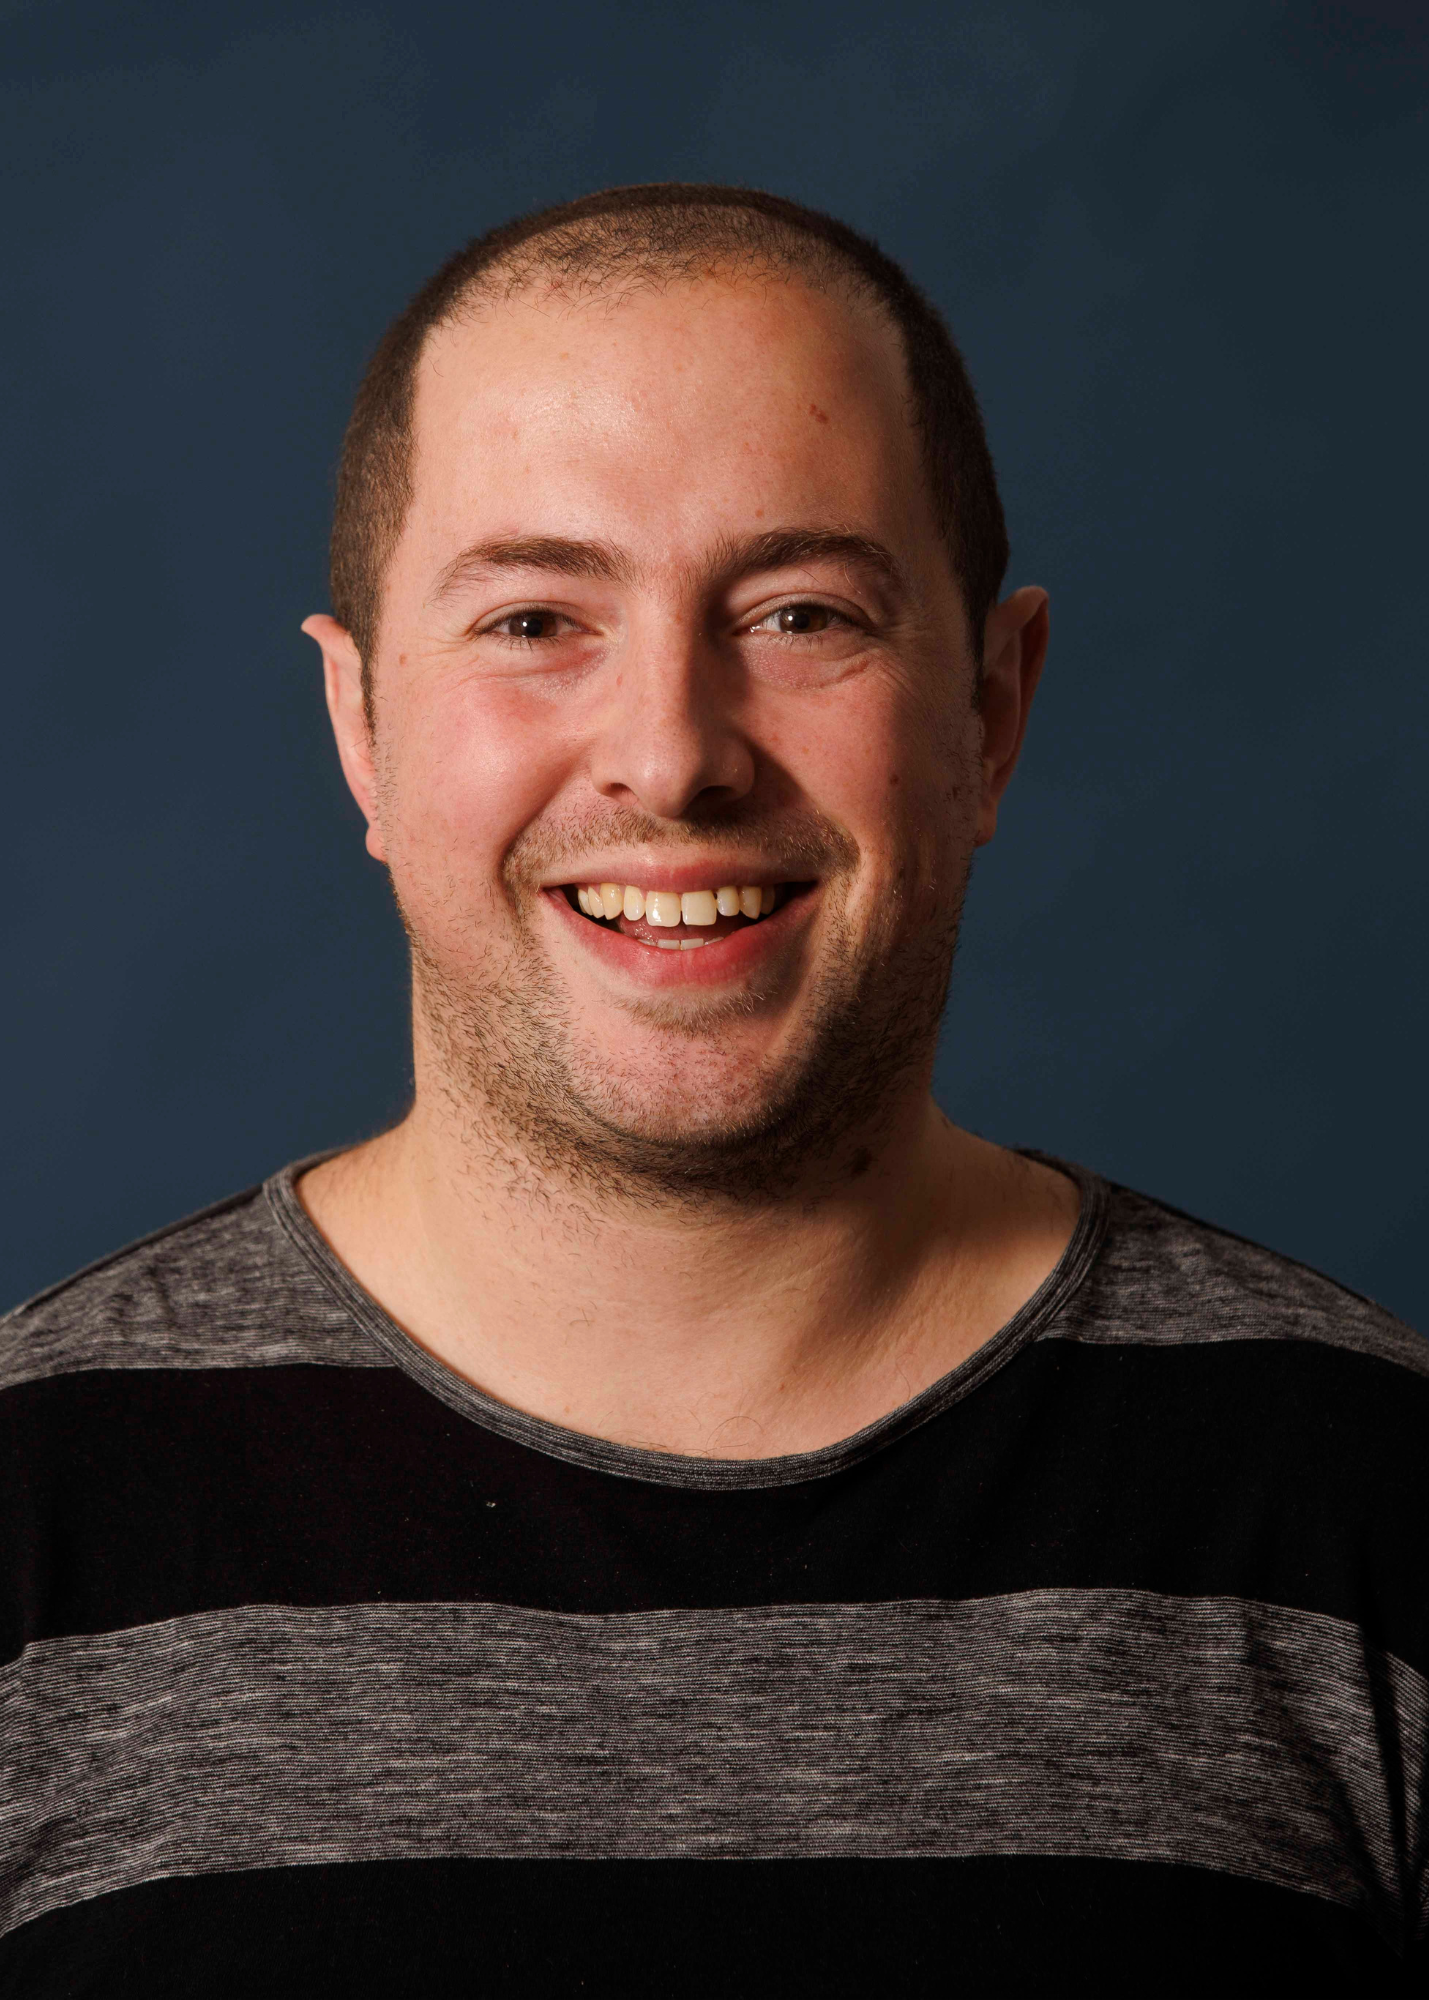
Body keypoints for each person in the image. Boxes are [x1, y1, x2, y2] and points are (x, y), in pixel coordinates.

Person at [1, 183, 1424, 1992]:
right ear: (361, 727)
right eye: (536, 620)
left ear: (991, 712)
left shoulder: (1376, 1500)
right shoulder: (31, 1507)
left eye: (803, 613)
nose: (673, 755)